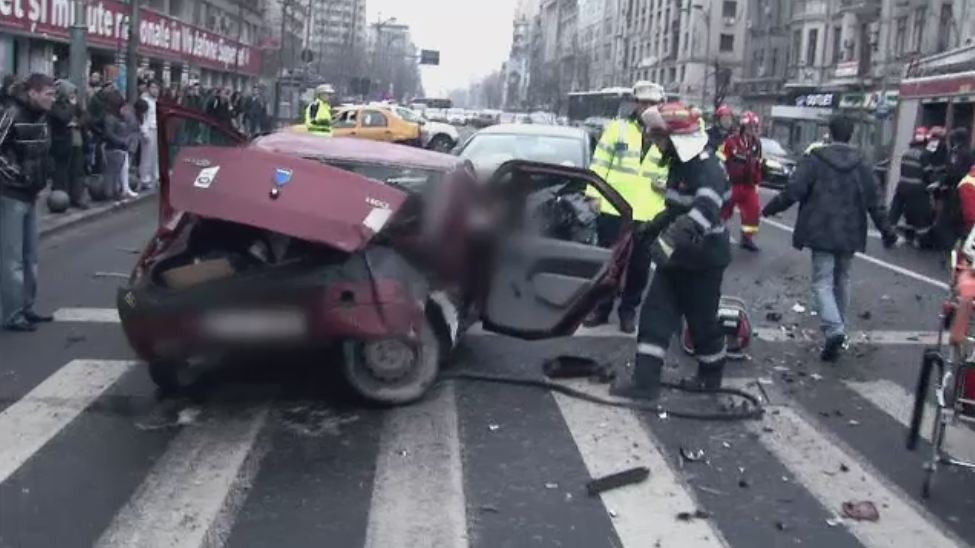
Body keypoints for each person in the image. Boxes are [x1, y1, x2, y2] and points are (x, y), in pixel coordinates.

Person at [611, 103, 732, 398]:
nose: (654, 142)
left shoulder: (707, 167)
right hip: (677, 261)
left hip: (704, 261)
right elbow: (677, 207)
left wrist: (667, 242)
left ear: (676, 137)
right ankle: (645, 383)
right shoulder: (681, 164)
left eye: (658, 137)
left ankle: (710, 376)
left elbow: (704, 212)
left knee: (702, 324)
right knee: (655, 316)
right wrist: (652, 227)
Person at [762, 115, 897, 361]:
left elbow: (793, 190)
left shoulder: (815, 159)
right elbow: (875, 201)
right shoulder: (862, 163)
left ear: (830, 133)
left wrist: (770, 209)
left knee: (822, 282)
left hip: (820, 229)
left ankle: (834, 330)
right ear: (851, 134)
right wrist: (887, 231)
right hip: (850, 231)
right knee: (842, 279)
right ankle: (839, 329)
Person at [584, 80, 668, 333]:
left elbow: (674, 169)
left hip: (649, 212)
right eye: (644, 103)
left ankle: (628, 311)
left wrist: (667, 184)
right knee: (609, 263)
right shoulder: (617, 129)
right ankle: (602, 308)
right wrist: (593, 194)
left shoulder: (667, 135)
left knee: (640, 268)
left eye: (653, 103)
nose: (648, 108)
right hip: (614, 207)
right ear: (635, 104)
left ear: (661, 105)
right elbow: (600, 162)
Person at [0, 74, 56, 332]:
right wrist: (17, 175)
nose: (52, 99)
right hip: (11, 194)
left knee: (31, 255)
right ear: (33, 93)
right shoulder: (11, 114)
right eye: (48, 94)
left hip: (32, 194)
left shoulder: (42, 118)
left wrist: (43, 175)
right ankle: (12, 314)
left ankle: (26, 307)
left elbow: (42, 152)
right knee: (12, 258)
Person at [720, 110, 764, 251]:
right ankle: (717, 234)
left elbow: (758, 164)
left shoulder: (756, 143)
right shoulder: (731, 142)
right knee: (724, 209)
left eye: (754, 127)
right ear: (743, 127)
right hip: (732, 183)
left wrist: (757, 182)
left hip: (749, 184)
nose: (753, 130)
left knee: (753, 210)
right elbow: (721, 161)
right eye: (750, 127)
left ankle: (747, 238)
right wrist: (722, 179)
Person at [888, 127, 935, 246]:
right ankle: (922, 241)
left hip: (902, 186)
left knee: (896, 210)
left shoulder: (907, 153)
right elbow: (928, 173)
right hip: (916, 189)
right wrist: (934, 182)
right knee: (920, 214)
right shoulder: (924, 154)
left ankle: (889, 234)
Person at [48, 80, 88, 209]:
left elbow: (85, 116)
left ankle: (76, 196)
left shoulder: (75, 104)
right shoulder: (55, 105)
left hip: (77, 141)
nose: (73, 95)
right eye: (70, 92)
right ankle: (61, 198)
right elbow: (63, 117)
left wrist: (77, 123)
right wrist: (72, 107)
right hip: (62, 142)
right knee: (62, 172)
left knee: (77, 171)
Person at [100, 90, 131, 201]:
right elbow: (109, 134)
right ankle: (110, 192)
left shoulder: (118, 117)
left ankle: (115, 191)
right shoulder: (110, 118)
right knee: (111, 172)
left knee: (117, 172)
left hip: (119, 148)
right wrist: (122, 141)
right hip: (112, 148)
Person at [139, 80, 160, 190]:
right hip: (148, 130)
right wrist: (144, 132)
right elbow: (142, 118)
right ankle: (145, 179)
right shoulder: (145, 101)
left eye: (156, 87)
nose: (155, 90)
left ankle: (155, 177)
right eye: (152, 87)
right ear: (148, 88)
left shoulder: (158, 101)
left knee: (155, 156)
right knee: (146, 156)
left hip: (157, 129)